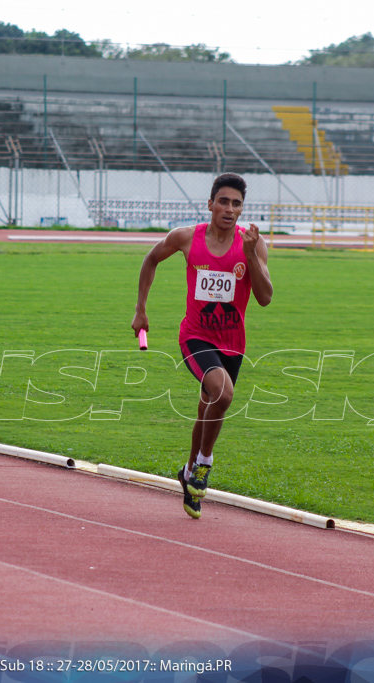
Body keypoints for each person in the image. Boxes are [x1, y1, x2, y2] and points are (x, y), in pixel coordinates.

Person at [132, 173, 273, 519]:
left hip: (233, 342)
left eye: (236, 203)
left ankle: (187, 473)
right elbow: (150, 259)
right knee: (223, 395)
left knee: (207, 407)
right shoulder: (185, 238)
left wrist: (252, 255)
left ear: (242, 209)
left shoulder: (253, 244)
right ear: (210, 204)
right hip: (195, 335)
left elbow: (265, 298)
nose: (229, 208)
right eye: (223, 201)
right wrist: (141, 310)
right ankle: (204, 465)